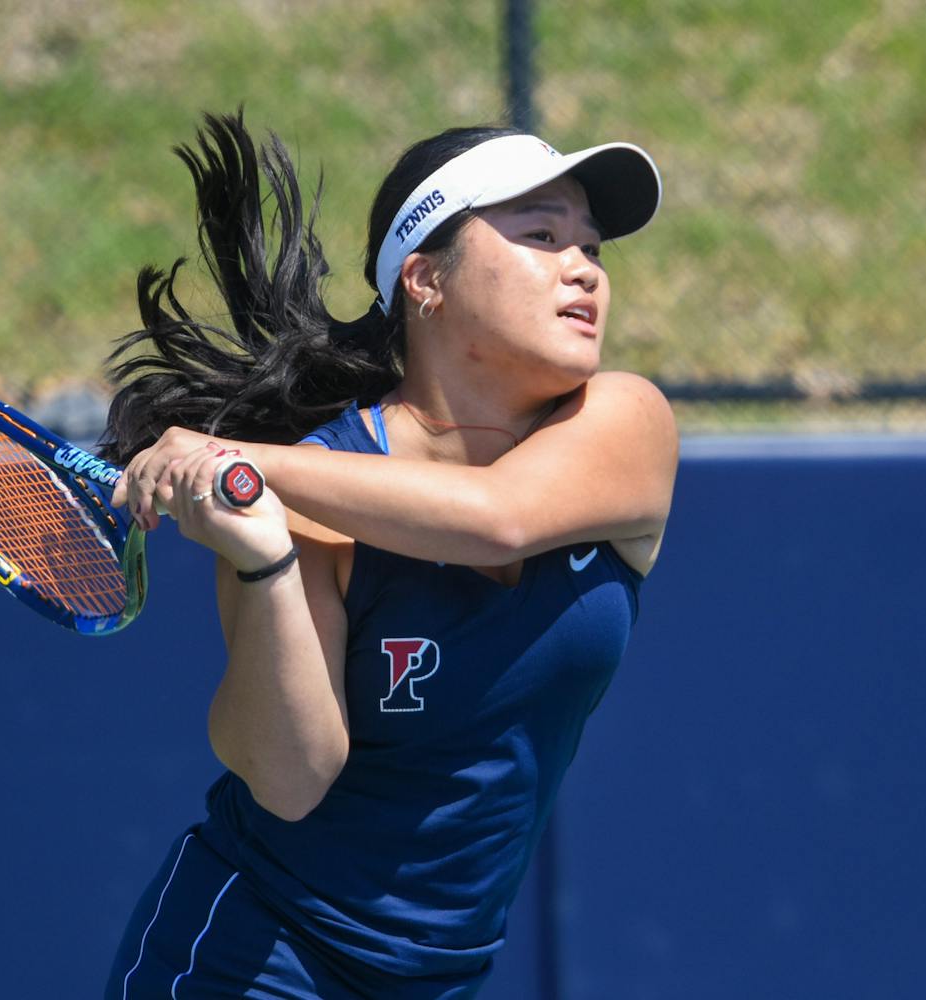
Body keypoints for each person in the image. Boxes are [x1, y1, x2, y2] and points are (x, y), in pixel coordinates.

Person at [100, 108, 676, 999]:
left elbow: (497, 519)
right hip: (254, 962)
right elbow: (290, 781)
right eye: (541, 235)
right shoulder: (304, 500)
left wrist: (249, 462)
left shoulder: (628, 420)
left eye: (593, 249)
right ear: (425, 279)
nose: (584, 270)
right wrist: (265, 564)